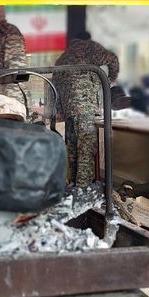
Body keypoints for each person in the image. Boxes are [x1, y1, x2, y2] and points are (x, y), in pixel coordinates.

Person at [53, 31, 120, 188]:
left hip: (68, 107)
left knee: (72, 148)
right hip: (85, 105)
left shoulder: (61, 58)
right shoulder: (89, 47)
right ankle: (84, 189)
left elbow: (54, 87)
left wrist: (59, 108)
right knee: (86, 146)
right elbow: (113, 59)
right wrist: (110, 80)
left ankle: (72, 186)